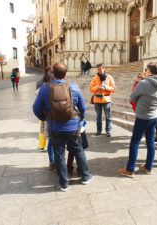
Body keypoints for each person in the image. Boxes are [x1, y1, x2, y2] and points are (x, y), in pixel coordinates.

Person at [33, 62, 92, 191]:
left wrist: (46, 119)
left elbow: (36, 108)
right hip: (72, 127)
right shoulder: (73, 86)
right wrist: (79, 118)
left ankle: (64, 183)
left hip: (55, 127)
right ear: (66, 73)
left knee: (59, 154)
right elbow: (82, 107)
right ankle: (85, 177)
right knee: (78, 150)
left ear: (53, 73)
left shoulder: (45, 88)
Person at [118, 62, 157, 177]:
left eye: (146, 69)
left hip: (142, 117)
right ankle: (148, 167)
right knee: (150, 142)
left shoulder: (143, 83)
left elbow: (132, 97)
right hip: (154, 116)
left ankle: (130, 169)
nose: (145, 71)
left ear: (149, 71)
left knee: (135, 142)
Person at [89, 63, 115, 137]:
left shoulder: (109, 77)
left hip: (106, 99)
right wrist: (97, 87)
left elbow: (113, 88)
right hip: (97, 99)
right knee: (98, 116)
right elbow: (91, 88)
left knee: (108, 116)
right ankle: (98, 130)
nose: (99, 70)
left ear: (104, 68)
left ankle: (108, 130)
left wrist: (106, 87)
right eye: (98, 69)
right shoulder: (94, 78)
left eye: (100, 69)